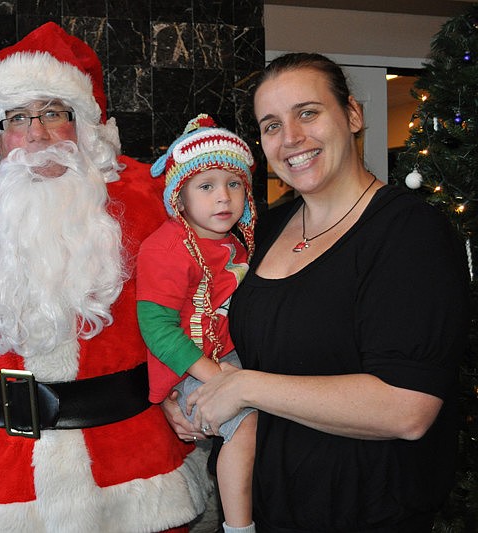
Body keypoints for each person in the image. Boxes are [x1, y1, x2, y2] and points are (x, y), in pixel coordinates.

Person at [0, 22, 210, 532]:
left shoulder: (144, 197)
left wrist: (188, 389)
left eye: (53, 113)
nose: (36, 134)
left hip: (131, 459)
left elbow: (197, 302)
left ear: (83, 123)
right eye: (18, 118)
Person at [182, 52, 470, 532]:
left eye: (308, 112)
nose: (290, 138)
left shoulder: (410, 233)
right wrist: (189, 401)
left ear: (353, 115)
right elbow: (217, 334)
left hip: (365, 514)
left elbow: (408, 407)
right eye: (271, 125)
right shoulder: (260, 230)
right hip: (259, 512)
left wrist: (244, 387)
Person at [137, 113, 258, 533]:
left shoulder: (234, 244)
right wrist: (218, 378)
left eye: (234, 184)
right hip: (190, 366)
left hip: (227, 358)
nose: (223, 197)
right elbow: (156, 329)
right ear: (180, 197)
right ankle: (240, 527)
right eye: (206, 186)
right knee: (247, 426)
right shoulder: (167, 247)